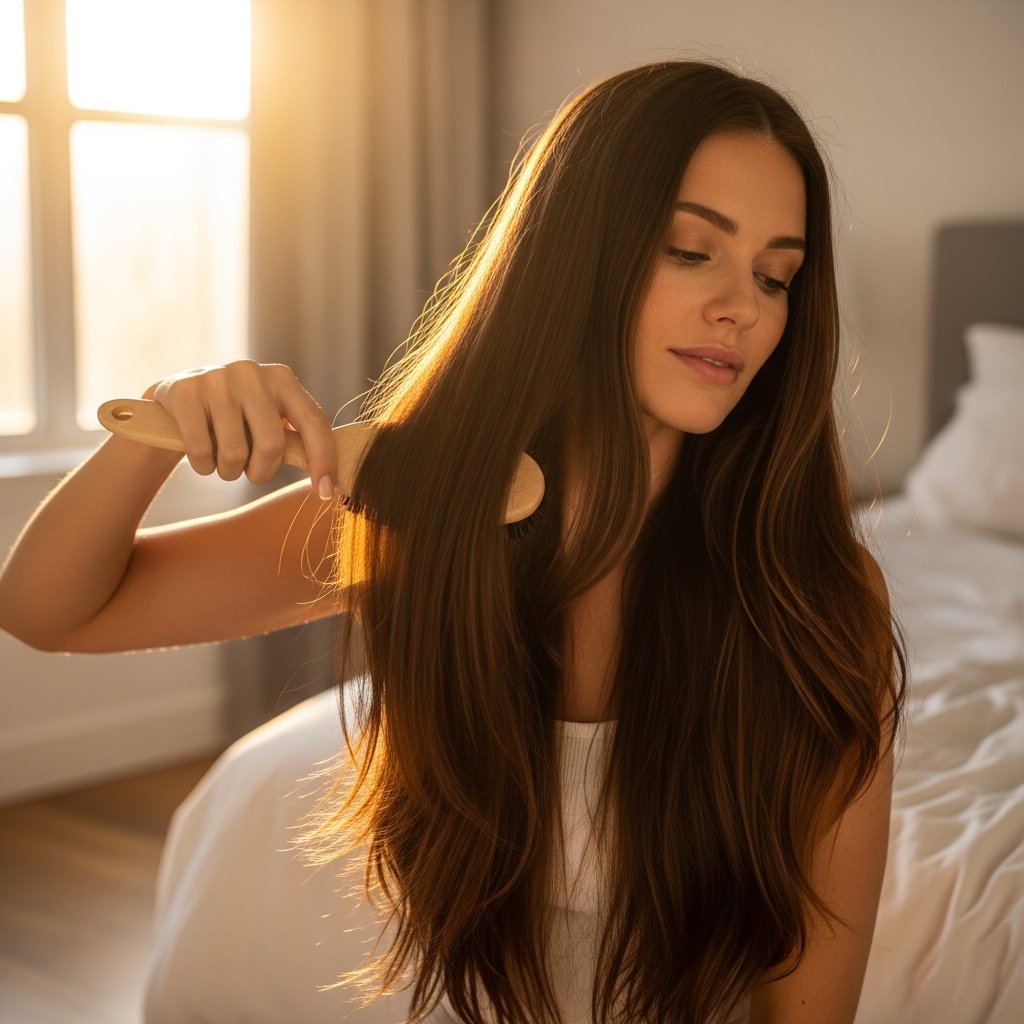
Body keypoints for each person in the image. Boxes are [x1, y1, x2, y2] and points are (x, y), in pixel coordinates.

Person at [0, 60, 905, 1024]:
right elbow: (49, 610)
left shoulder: (810, 594)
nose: (746, 307)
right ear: (577, 249)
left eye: (776, 275)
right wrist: (165, 423)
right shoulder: (426, 509)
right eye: (691, 251)